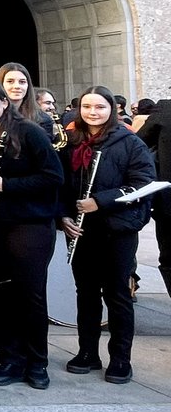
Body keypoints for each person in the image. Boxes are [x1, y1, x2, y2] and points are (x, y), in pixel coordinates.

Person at [0, 78, 63, 389]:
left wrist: (8, 185)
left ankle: (37, 362)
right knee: (3, 294)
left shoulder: (28, 131)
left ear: (5, 102)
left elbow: (53, 177)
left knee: (30, 295)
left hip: (30, 225)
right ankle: (12, 358)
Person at [59, 86, 156, 384]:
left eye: (100, 107)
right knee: (86, 294)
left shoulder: (129, 142)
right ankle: (87, 352)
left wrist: (100, 201)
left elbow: (144, 183)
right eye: (87, 107)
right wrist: (64, 215)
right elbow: (60, 184)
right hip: (81, 229)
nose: (93, 112)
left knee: (117, 295)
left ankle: (120, 359)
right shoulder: (71, 141)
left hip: (117, 230)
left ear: (112, 109)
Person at [137, 98, 171, 293]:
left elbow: (139, 143)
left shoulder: (165, 109)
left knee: (169, 257)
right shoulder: (165, 110)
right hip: (168, 203)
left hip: (168, 202)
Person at [0, 62, 55, 137]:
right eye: (10, 81)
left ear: (28, 86)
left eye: (22, 82)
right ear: (0, 84)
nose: (17, 86)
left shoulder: (43, 120)